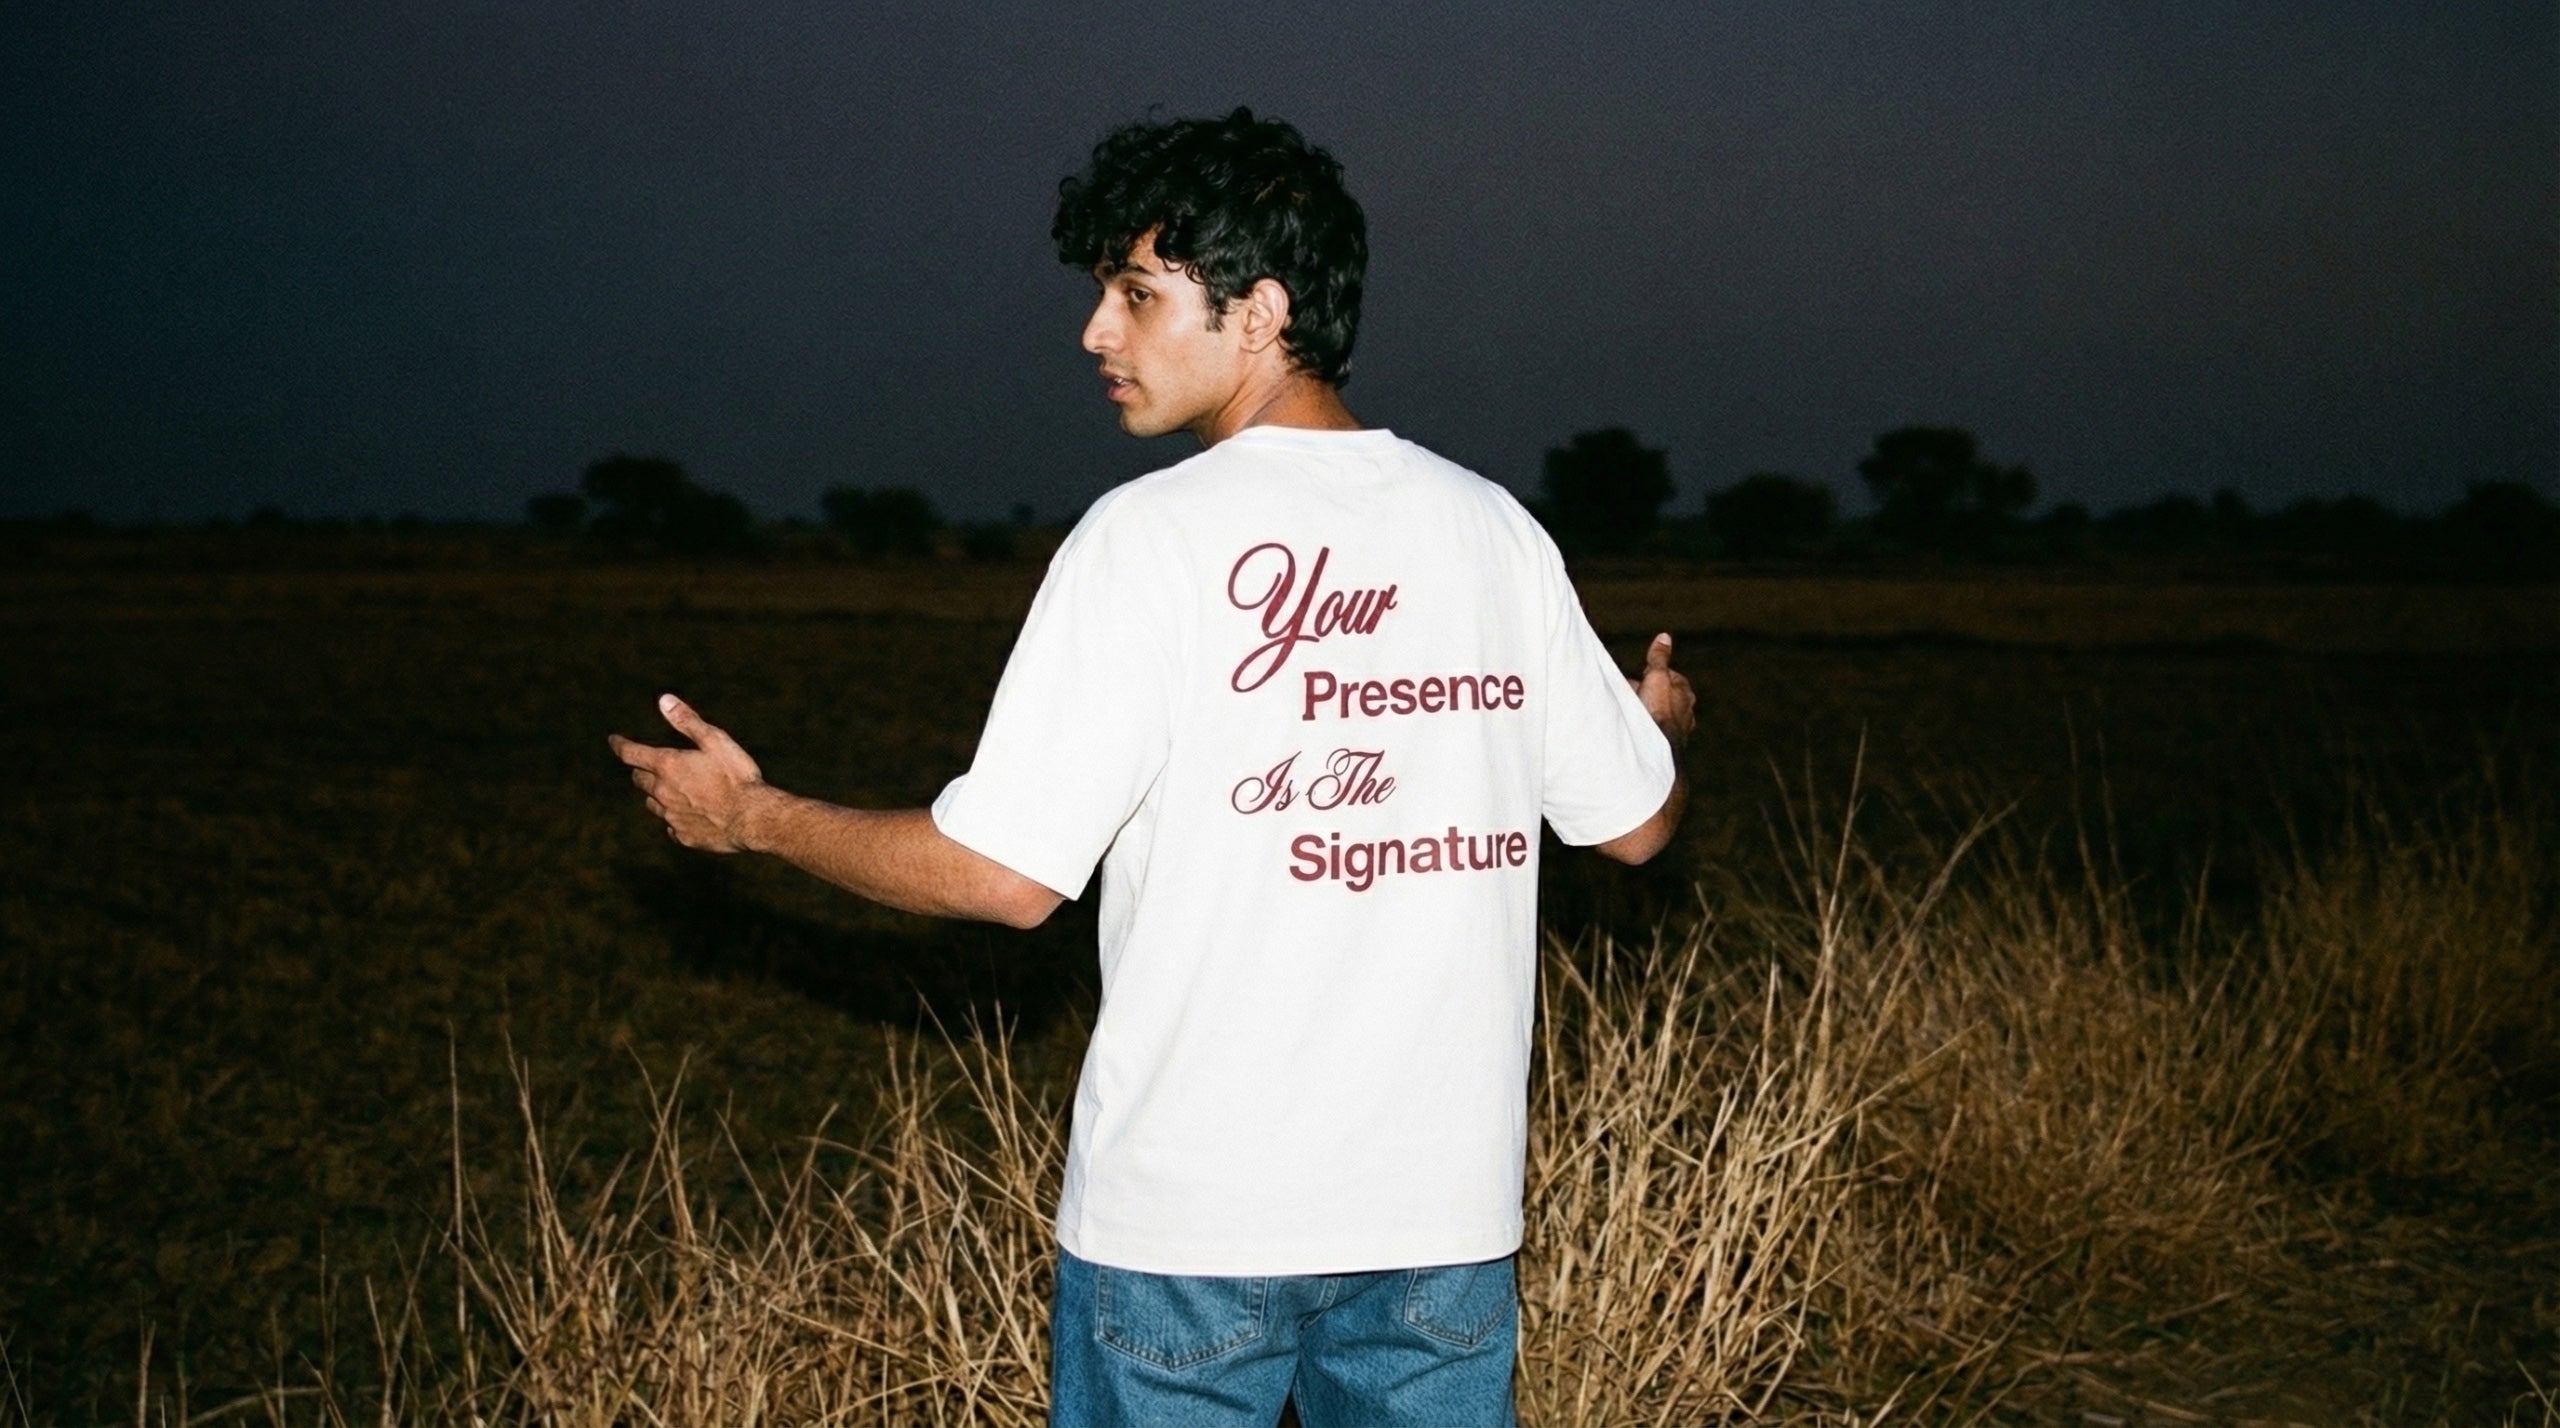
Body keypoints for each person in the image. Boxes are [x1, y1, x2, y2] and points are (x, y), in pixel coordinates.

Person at [610, 108, 1694, 1428]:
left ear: (1262, 310)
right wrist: (1660, 721)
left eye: (1135, 295)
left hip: (1190, 1233)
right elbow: (1637, 825)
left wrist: (756, 819)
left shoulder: (1149, 543)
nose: (1096, 335)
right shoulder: (1493, 533)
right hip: (1440, 1231)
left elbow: (1004, 879)